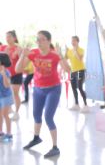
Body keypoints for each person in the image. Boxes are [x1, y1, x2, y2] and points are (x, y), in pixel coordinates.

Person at [16, 30, 71, 158]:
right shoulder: (34, 53)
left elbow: (68, 70)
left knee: (48, 117)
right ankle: (36, 138)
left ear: (49, 41)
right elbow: (18, 69)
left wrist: (61, 55)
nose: (39, 42)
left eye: (42, 39)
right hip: (38, 89)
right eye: (37, 39)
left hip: (53, 89)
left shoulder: (54, 55)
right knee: (36, 115)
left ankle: (55, 147)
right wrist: (23, 55)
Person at [0, 31, 22, 121]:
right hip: (4, 75)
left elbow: (22, 60)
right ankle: (10, 109)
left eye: (9, 36)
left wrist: (19, 54)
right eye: (6, 37)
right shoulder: (3, 47)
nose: (7, 38)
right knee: (7, 94)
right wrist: (5, 54)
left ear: (14, 38)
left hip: (16, 74)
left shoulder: (18, 48)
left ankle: (16, 112)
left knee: (15, 93)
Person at [65, 36, 89, 113]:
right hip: (73, 71)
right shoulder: (69, 51)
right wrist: (65, 52)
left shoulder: (81, 50)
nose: (73, 42)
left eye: (74, 41)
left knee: (80, 87)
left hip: (81, 70)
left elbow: (80, 59)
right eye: (72, 41)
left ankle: (85, 105)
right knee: (73, 87)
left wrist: (75, 51)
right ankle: (76, 104)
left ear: (78, 41)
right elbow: (64, 59)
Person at [0, 60, 14, 142]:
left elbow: (7, 85)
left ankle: (9, 134)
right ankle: (1, 131)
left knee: (5, 114)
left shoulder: (6, 72)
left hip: (6, 96)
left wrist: (4, 74)